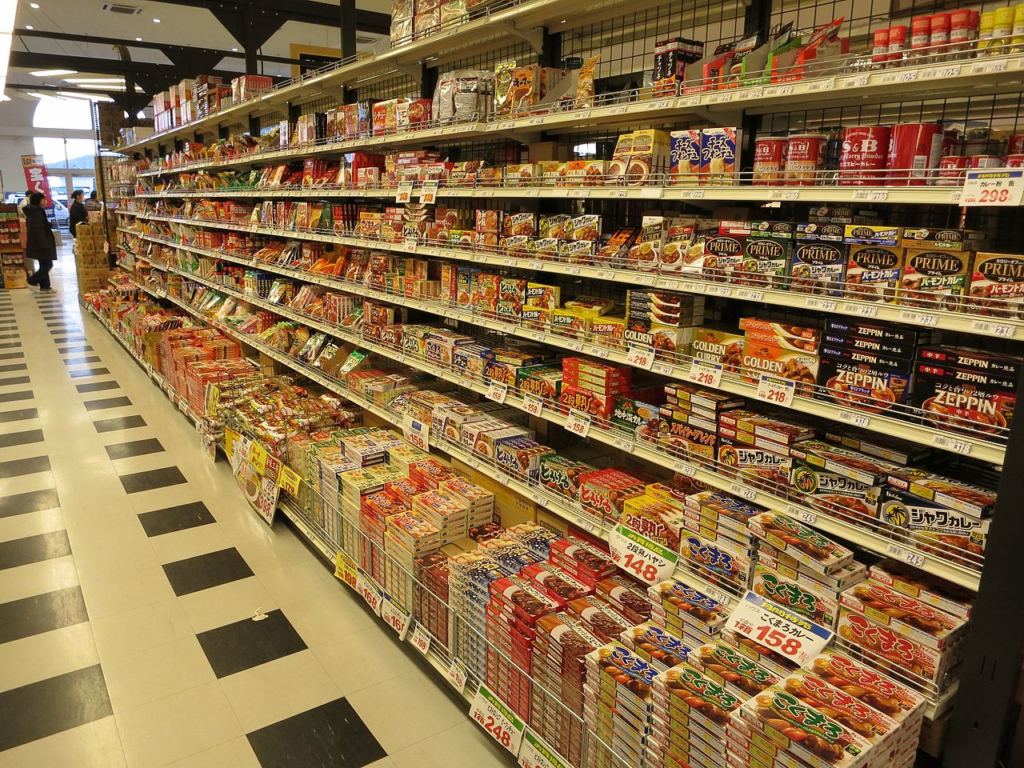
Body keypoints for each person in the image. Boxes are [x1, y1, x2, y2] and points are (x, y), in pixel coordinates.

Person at [24, 192, 56, 292]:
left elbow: (40, 226)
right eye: (43, 199)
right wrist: (45, 244)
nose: (46, 201)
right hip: (40, 243)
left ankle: (45, 287)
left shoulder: (34, 211)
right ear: (38, 200)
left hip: (36, 243)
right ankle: (32, 281)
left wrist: (48, 225)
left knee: (44, 264)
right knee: (48, 264)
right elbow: (39, 229)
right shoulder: (37, 212)